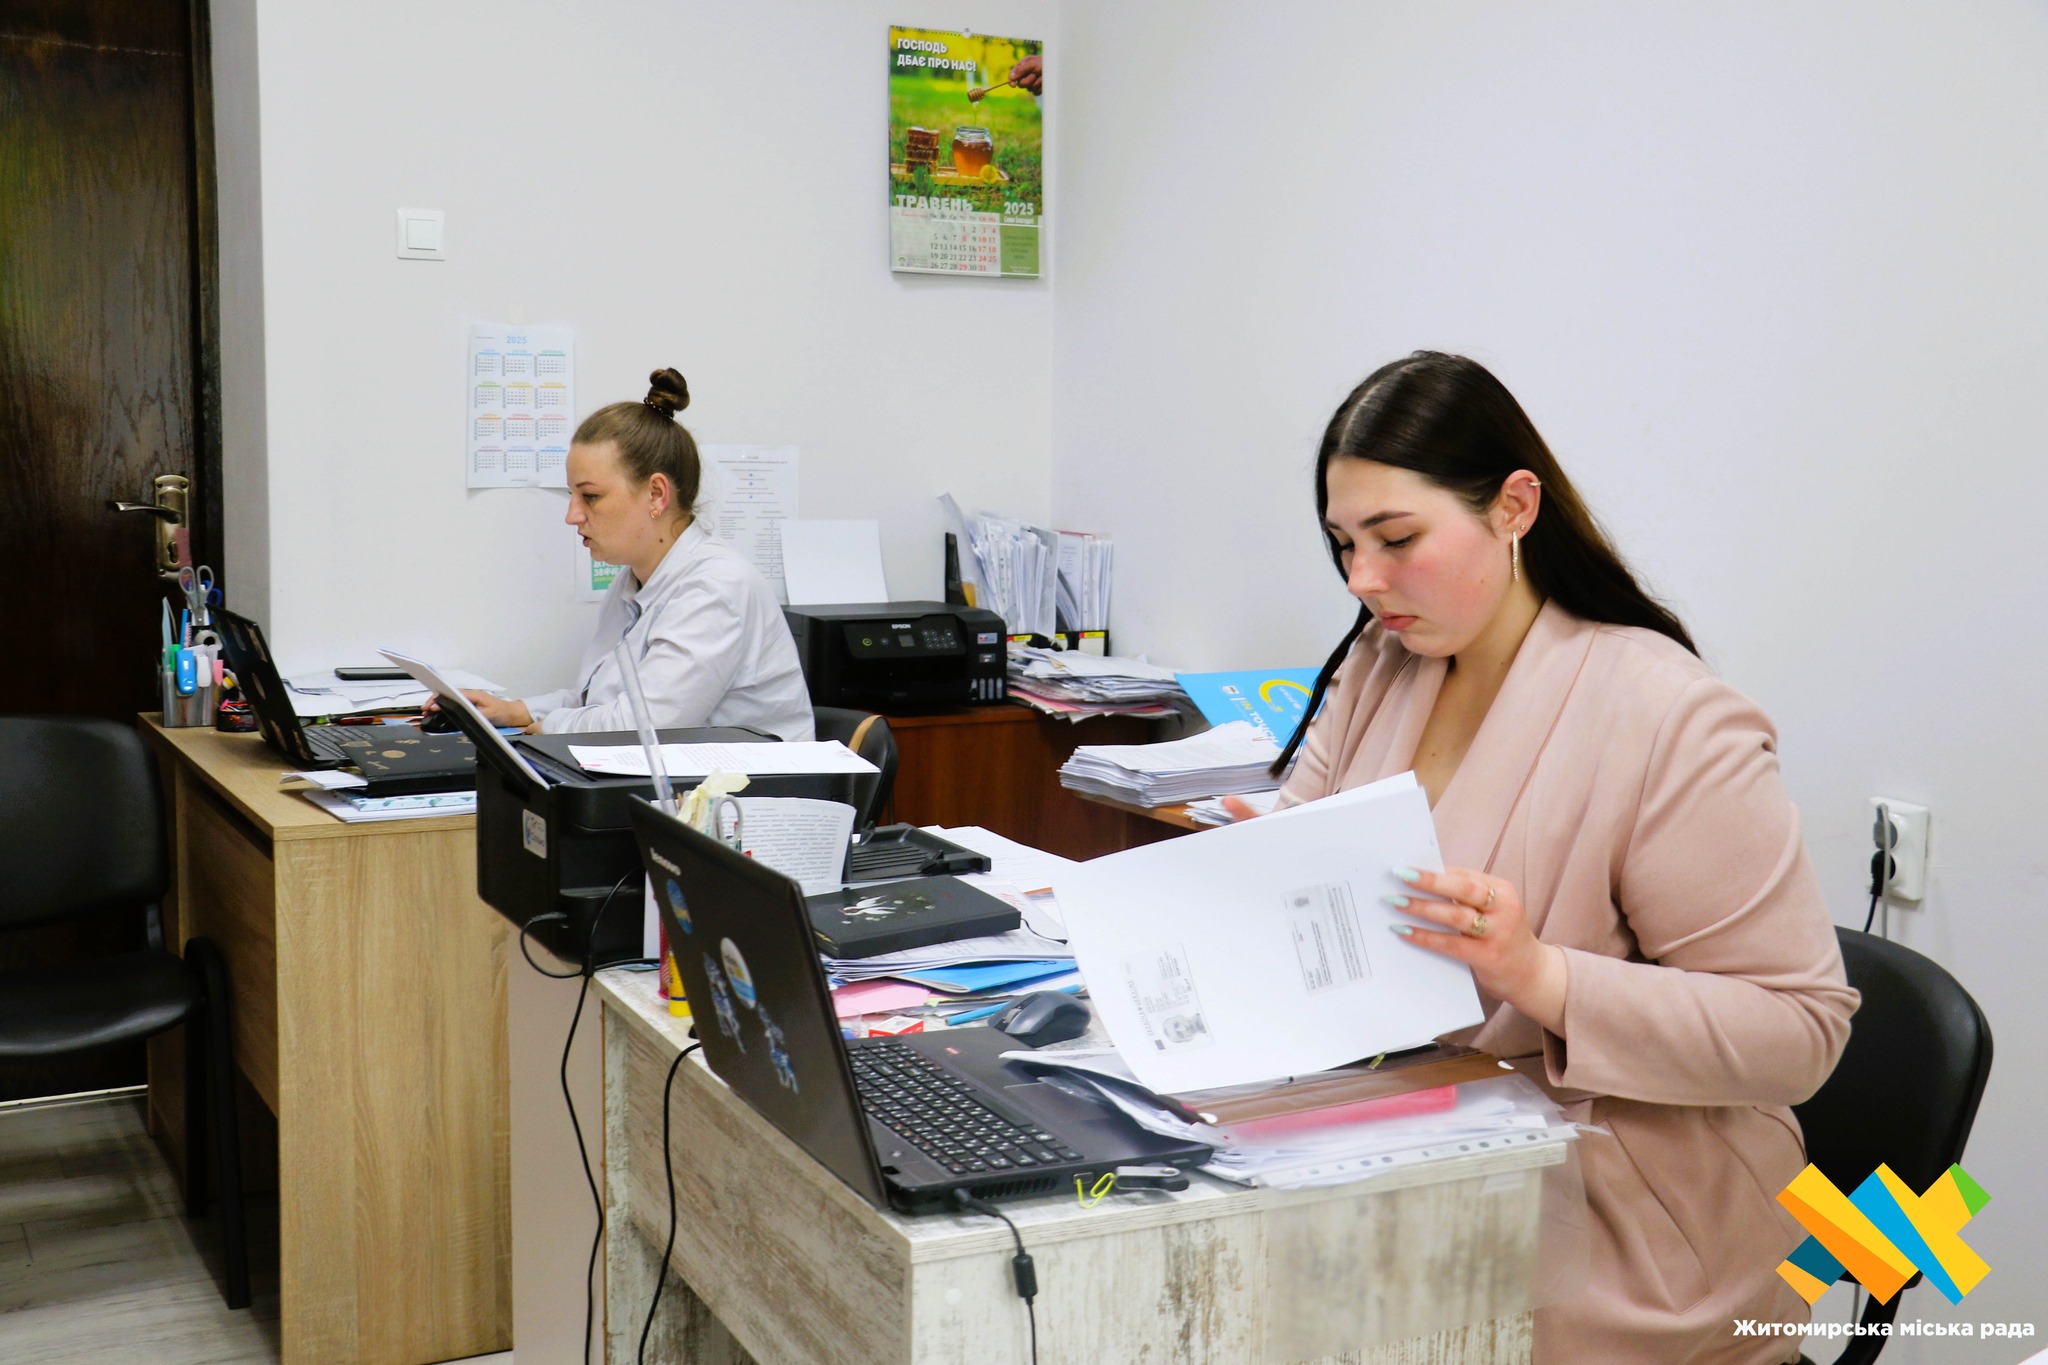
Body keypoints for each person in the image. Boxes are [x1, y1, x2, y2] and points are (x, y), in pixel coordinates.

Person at [1246, 352, 1856, 1363]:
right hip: (1410, 1151)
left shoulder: (1668, 716)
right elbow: (1291, 859)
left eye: (1396, 539)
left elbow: (1800, 1032)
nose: (1363, 580)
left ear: (1514, 507)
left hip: (1621, 1232)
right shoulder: (1382, 664)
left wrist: (1541, 976)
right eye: (1344, 544)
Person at [454, 369, 814, 740]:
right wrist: (515, 711)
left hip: (750, 777)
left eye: (590, 496)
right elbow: (599, 701)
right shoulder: (632, 583)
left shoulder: (716, 587)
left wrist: (547, 728)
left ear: (656, 494)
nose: (572, 515)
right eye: (572, 496)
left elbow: (646, 723)